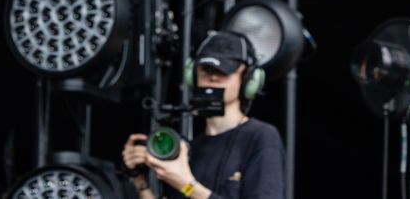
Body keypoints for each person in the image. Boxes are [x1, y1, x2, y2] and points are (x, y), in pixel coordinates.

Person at [121, 31, 286, 199]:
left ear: (248, 79)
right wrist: (140, 181)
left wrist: (186, 184)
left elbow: (187, 187)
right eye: (207, 69)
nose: (213, 77)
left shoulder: (261, 137)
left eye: (224, 71)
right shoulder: (189, 151)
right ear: (192, 75)